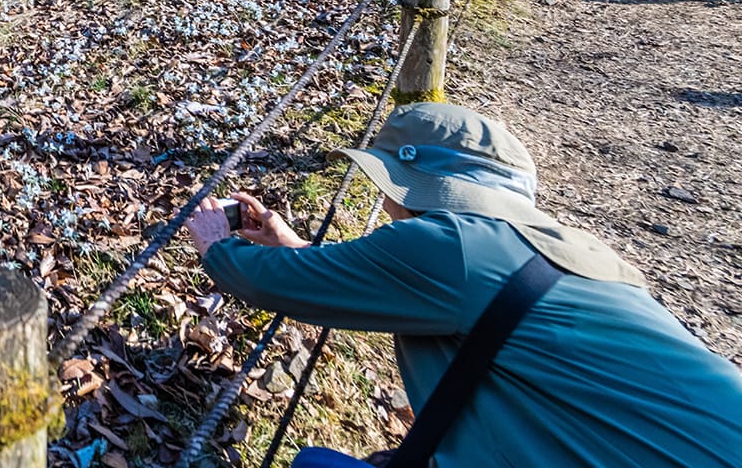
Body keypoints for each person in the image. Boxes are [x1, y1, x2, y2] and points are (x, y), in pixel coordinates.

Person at [185, 103, 742, 468]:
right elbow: (406, 290)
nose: (383, 201)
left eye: (387, 183)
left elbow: (282, 286)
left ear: (420, 183)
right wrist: (292, 244)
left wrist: (217, 245)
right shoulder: (579, 256)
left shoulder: (450, 244)